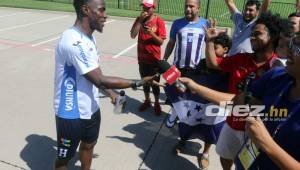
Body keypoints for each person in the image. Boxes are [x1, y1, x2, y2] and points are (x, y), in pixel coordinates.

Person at [53, 0, 154, 169]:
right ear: (85, 10)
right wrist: (137, 82)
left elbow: (93, 75)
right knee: (64, 159)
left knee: (89, 145)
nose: (105, 15)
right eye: (101, 10)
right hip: (70, 112)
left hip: (91, 108)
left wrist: (111, 93)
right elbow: (99, 79)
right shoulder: (73, 42)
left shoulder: (88, 37)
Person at [177, 34, 300, 170]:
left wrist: (267, 144)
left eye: (297, 49)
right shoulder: (277, 76)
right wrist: (196, 88)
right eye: (292, 45)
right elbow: (237, 103)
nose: (289, 52)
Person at [204, 12, 281, 170]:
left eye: (257, 34)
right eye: (252, 34)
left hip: (258, 132)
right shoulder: (240, 59)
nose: (252, 37)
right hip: (232, 124)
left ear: (272, 36)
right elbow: (213, 64)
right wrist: (210, 41)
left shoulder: (279, 67)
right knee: (224, 155)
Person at [167, 33, 231, 170]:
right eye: (209, 47)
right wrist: (179, 85)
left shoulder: (228, 68)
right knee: (188, 123)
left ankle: (205, 153)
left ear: (225, 50)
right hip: (197, 103)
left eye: (215, 48)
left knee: (210, 129)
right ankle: (182, 142)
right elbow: (193, 79)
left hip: (213, 106)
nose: (211, 51)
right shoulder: (203, 62)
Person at [130, 0, 166, 116]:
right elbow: (132, 35)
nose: (145, 10)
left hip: (154, 60)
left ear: (153, 8)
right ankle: (147, 100)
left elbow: (160, 41)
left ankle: (156, 102)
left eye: (148, 8)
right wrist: (140, 21)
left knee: (155, 83)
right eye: (144, 7)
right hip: (142, 59)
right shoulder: (139, 19)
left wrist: (151, 33)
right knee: (144, 82)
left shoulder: (158, 21)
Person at [163, 0, 209, 77]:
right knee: (173, 88)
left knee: (192, 89)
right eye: (186, 6)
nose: (188, 9)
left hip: (196, 69)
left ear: (198, 8)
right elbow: (171, 43)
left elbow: (210, 44)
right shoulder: (177, 23)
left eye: (191, 6)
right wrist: (164, 59)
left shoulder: (206, 24)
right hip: (177, 69)